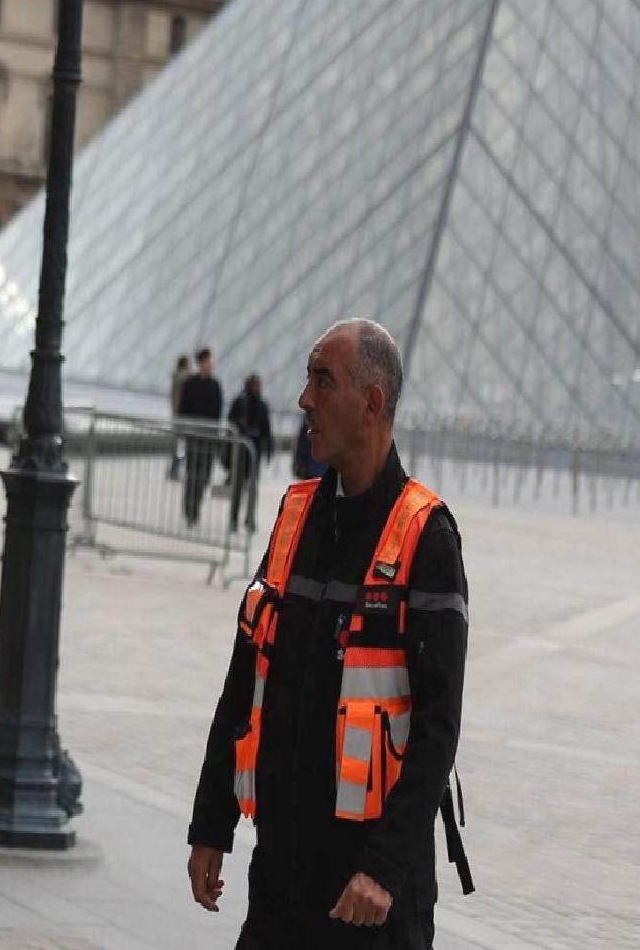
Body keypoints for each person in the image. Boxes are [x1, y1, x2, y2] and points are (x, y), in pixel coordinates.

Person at [187, 320, 471, 949]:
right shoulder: (293, 518)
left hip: (369, 905)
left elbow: (437, 728)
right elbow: (244, 678)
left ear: (372, 403)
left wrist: (383, 868)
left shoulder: (427, 536)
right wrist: (212, 821)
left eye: (323, 381)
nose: (304, 400)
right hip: (280, 885)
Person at [178, 348, 225, 526]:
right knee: (192, 474)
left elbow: (218, 412)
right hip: (194, 437)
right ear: (201, 363)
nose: (210, 365)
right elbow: (183, 409)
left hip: (209, 439)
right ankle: (189, 509)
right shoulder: (190, 384)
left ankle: (195, 505)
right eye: (208, 362)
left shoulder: (215, 385)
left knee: (204, 476)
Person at [227, 374, 273, 530]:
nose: (255, 388)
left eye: (257, 385)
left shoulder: (262, 405)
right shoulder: (240, 401)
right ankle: (234, 519)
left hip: (255, 452)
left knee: (252, 488)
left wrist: (268, 450)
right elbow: (230, 420)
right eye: (253, 385)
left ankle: (250, 518)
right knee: (238, 487)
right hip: (241, 450)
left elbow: (267, 429)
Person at [170, 354, 194, 479]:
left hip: (177, 416)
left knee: (179, 445)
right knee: (181, 445)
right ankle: (175, 470)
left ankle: (175, 469)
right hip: (182, 417)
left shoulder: (175, 376)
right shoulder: (183, 377)